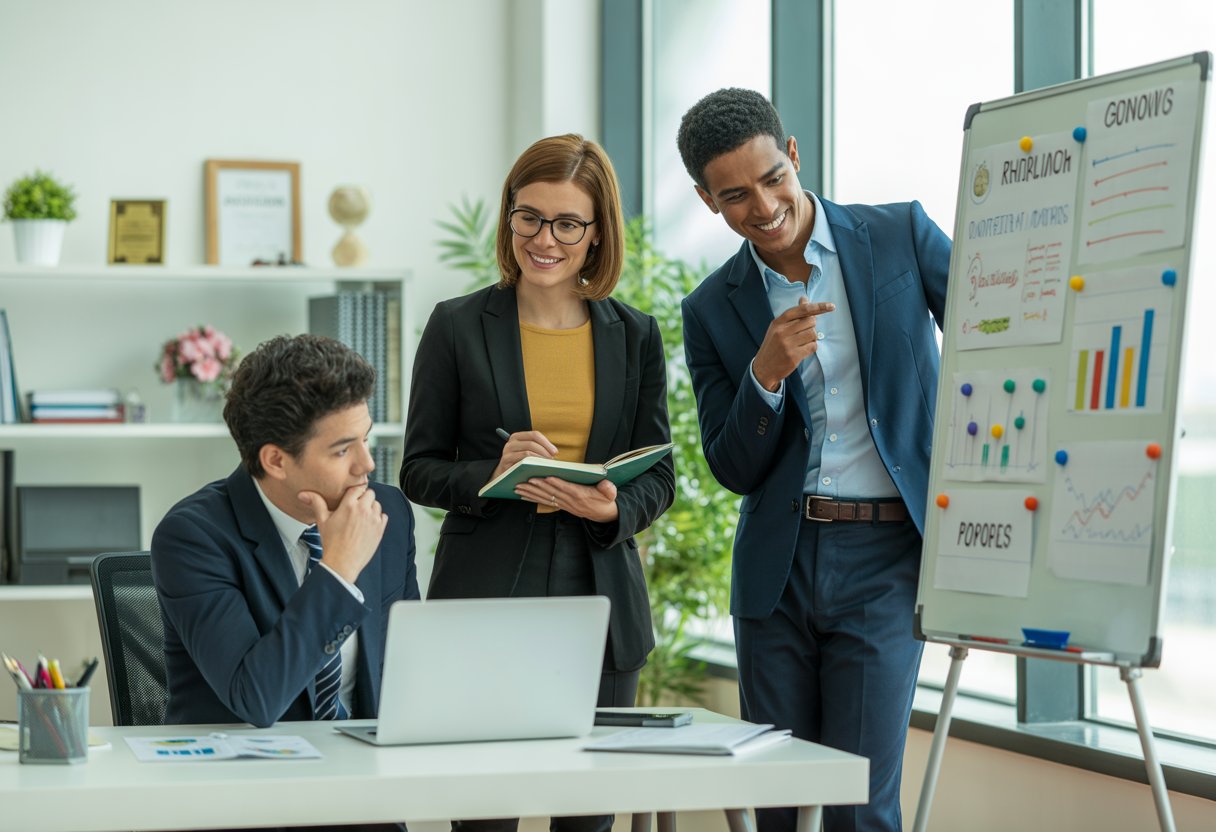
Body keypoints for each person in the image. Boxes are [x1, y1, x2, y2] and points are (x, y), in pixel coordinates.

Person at [677, 88, 951, 832]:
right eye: (735, 196)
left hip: (887, 558)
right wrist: (764, 373)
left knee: (860, 804)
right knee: (779, 802)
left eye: (772, 178)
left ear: (793, 155)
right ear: (708, 200)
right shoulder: (710, 309)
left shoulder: (898, 236)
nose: (763, 206)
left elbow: (993, 346)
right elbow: (732, 468)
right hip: (778, 571)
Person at [401, 133, 674, 832]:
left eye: (566, 223)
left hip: (601, 597)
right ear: (509, 216)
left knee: (587, 817)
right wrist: (490, 473)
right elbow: (418, 469)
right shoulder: (457, 325)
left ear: (596, 234)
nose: (543, 238)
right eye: (529, 216)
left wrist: (611, 506)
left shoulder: (635, 334)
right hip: (486, 594)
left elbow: (660, 473)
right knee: (484, 813)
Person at [152, 333, 419, 832]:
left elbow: (411, 667)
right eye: (343, 449)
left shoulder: (387, 512)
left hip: (362, 797)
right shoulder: (193, 536)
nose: (367, 464)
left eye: (367, 438)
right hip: (241, 798)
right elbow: (256, 698)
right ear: (276, 460)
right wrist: (338, 570)